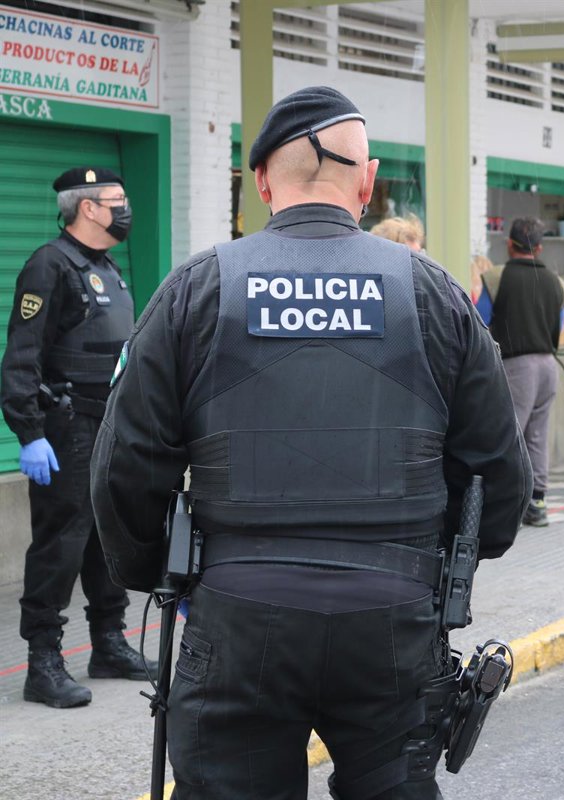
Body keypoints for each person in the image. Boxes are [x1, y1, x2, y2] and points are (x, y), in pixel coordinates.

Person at [91, 86, 531, 799]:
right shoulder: (433, 292)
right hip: (393, 620)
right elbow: (498, 471)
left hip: (237, 613)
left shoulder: (197, 289)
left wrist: (164, 574)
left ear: (262, 181)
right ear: (367, 181)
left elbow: (126, 466)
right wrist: (428, 568)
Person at [1, 167, 153, 709]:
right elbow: (22, 355)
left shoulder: (106, 266)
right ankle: (43, 661)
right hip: (66, 427)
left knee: (105, 536)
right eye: (117, 199)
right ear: (88, 207)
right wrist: (29, 432)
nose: (126, 208)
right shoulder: (50, 264)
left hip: (108, 424)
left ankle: (108, 643)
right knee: (61, 542)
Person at [482, 217, 564, 528]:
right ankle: (537, 502)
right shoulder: (557, 284)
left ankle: (509, 505)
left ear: (509, 244)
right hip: (548, 365)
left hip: (516, 366)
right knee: (537, 435)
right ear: (540, 248)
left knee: (510, 434)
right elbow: (559, 325)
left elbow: (480, 322)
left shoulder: (495, 278)